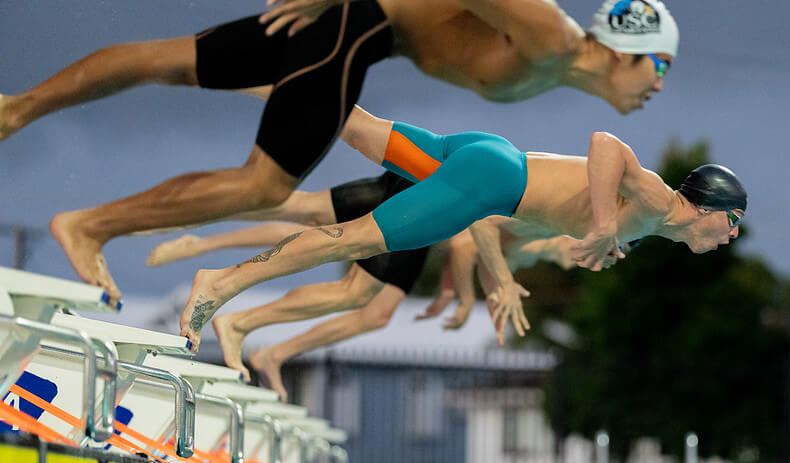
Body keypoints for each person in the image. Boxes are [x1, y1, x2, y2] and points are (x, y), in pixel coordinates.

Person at [0, 0, 678, 304]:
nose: (659, 86)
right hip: (357, 23)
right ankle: (90, 226)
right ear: (630, 46)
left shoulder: (549, 70)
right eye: (661, 66)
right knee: (263, 186)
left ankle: (14, 109)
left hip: (352, 28)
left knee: (171, 61)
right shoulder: (552, 38)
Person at [177, 105, 748, 350]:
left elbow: (564, 219)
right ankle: (220, 284)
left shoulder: (654, 224)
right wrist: (603, 227)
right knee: (351, 238)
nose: (731, 236)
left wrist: (598, 243)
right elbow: (608, 145)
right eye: (732, 223)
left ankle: (271, 74)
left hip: (491, 156)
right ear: (707, 205)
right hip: (490, 183)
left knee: (353, 127)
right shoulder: (663, 203)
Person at [147, 174, 576, 398]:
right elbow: (474, 235)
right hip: (425, 197)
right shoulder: (547, 220)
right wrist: (465, 299)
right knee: (328, 247)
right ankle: (205, 244)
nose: (593, 265)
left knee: (364, 296)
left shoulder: (543, 243)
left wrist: (458, 290)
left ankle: (260, 339)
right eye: (600, 254)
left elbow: (473, 250)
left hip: (427, 203)